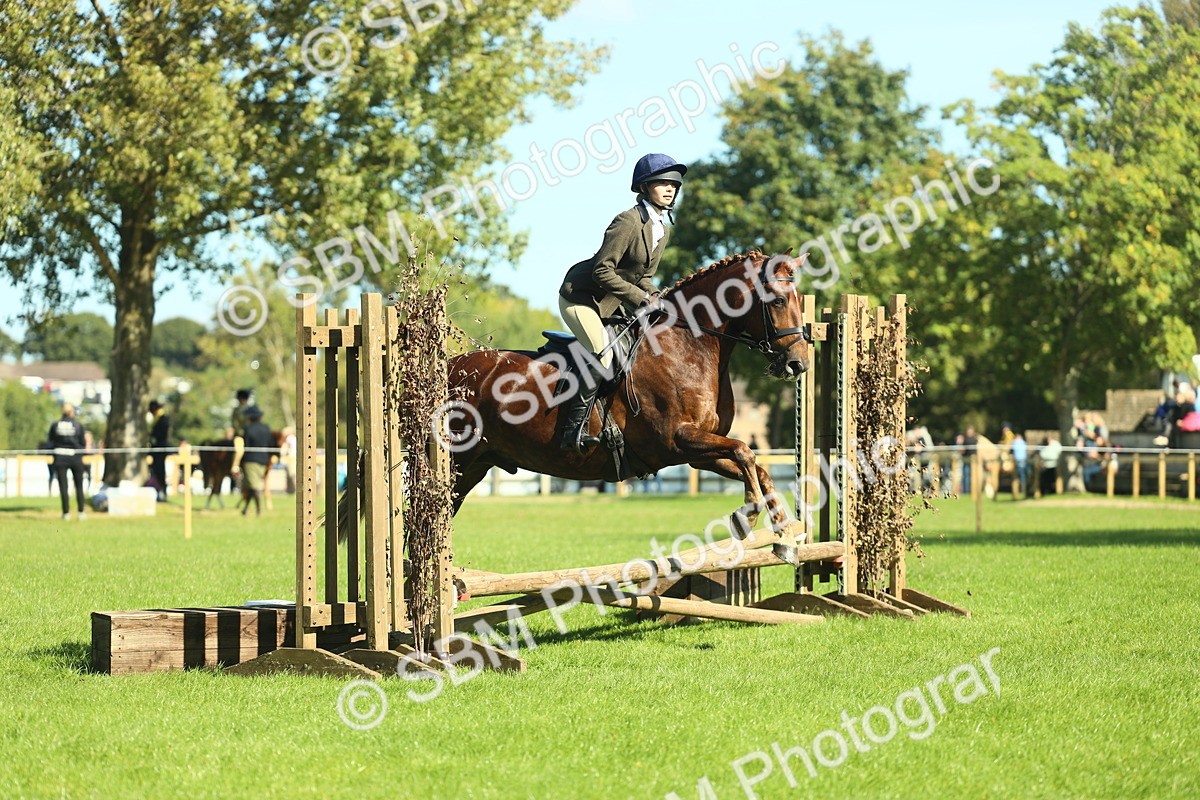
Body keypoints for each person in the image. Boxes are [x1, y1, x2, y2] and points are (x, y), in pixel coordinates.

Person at [557, 152, 687, 453]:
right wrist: (641, 298)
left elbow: (642, 276)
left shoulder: (662, 228)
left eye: (674, 185)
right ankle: (571, 432)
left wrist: (658, 298)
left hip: (611, 302)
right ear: (644, 187)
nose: (670, 189)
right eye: (662, 184)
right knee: (602, 357)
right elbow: (603, 270)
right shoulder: (628, 221)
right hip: (581, 297)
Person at [47, 403, 88, 520]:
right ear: (71, 412)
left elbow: (50, 441)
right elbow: (82, 442)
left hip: (60, 457)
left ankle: (66, 513)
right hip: (75, 457)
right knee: (79, 486)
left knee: (63, 487)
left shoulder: (55, 425)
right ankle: (81, 512)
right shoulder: (78, 425)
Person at [236, 406, 277, 516]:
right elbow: (271, 445)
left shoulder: (248, 429)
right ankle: (245, 509)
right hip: (263, 460)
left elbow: (246, 446)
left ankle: (259, 510)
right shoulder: (266, 428)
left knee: (254, 487)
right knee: (251, 486)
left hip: (251, 460)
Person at [147, 400, 171, 501]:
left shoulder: (162, 419)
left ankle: (162, 492)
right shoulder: (158, 419)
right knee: (156, 471)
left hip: (160, 450)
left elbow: (161, 435)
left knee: (160, 471)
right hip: (156, 450)